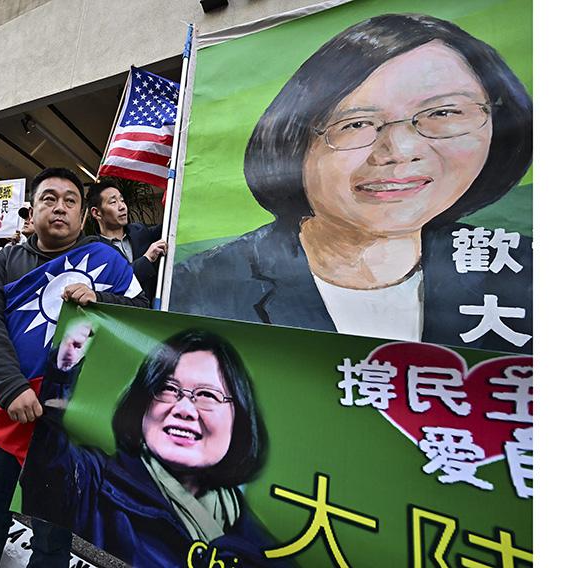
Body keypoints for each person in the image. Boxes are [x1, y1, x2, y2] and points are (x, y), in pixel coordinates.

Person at [171, 14, 533, 353]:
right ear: (292, 144)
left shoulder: (526, 267)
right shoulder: (199, 288)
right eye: (356, 124)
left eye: (443, 113)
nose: (400, 152)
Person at [0, 167, 149, 568]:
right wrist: (11, 388)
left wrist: (102, 298)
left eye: (70, 201)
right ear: (33, 209)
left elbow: (144, 314)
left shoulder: (104, 258)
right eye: (49, 199)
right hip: (12, 407)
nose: (59, 208)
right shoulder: (8, 261)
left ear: (83, 215)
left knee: (52, 530)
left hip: (68, 415)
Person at [22, 329, 291, 567]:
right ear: (142, 404)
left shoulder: (259, 539)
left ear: (240, 419)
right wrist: (61, 375)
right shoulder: (95, 483)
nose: (184, 409)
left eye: (207, 395)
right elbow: (47, 470)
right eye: (167, 388)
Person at [87, 181, 166, 299]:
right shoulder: (95, 250)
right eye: (113, 202)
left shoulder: (140, 231)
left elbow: (169, 226)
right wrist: (147, 259)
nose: (122, 207)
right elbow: (117, 281)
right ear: (96, 212)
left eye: (122, 201)